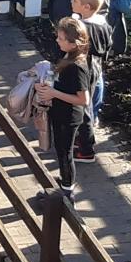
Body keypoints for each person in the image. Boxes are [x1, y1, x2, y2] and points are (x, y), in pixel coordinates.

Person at [31, 17, 98, 199]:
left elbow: (83, 99)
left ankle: (67, 190)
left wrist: (53, 93)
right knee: (61, 150)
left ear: (73, 42)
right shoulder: (67, 57)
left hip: (68, 116)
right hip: (59, 112)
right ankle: (64, 182)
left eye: (61, 38)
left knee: (65, 152)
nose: (57, 41)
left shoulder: (77, 67)